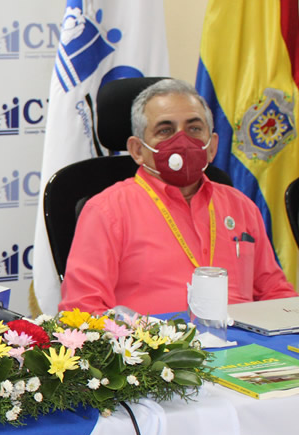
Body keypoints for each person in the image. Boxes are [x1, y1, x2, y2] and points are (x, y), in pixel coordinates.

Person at [60, 78, 296, 315]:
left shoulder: (241, 206)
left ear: (212, 146)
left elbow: (276, 293)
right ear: (137, 150)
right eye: (165, 130)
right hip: (153, 349)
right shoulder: (106, 211)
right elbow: (82, 311)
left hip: (244, 348)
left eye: (194, 129)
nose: (182, 141)